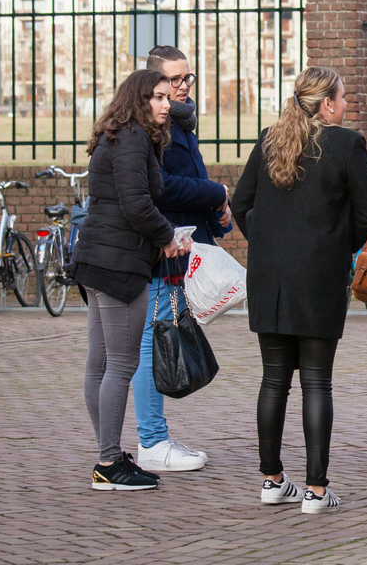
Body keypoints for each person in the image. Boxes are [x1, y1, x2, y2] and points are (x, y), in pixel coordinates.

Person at [230, 66, 367, 515]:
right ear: (327, 104)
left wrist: (268, 242)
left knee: (274, 379)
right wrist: (339, 246)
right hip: (319, 275)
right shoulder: (345, 143)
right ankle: (316, 491)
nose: (346, 104)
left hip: (268, 277)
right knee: (317, 381)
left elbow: (242, 204)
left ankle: (271, 480)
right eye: (342, 97)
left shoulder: (270, 138)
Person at [71, 68, 184, 492]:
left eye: (166, 97)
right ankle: (108, 463)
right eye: (157, 97)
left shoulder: (114, 135)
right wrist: (169, 237)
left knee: (99, 363)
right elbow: (137, 205)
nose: (165, 104)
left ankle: (111, 453)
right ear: (138, 99)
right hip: (119, 264)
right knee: (120, 364)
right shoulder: (134, 139)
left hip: (95, 257)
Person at [132, 45, 234, 474]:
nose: (182, 86)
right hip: (161, 246)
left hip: (185, 242)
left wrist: (217, 211)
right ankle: (151, 441)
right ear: (155, 84)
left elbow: (191, 177)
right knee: (151, 344)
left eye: (187, 78)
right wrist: (214, 193)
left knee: (158, 338)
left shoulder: (182, 120)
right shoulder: (154, 124)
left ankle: (154, 437)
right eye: (173, 80)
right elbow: (163, 187)